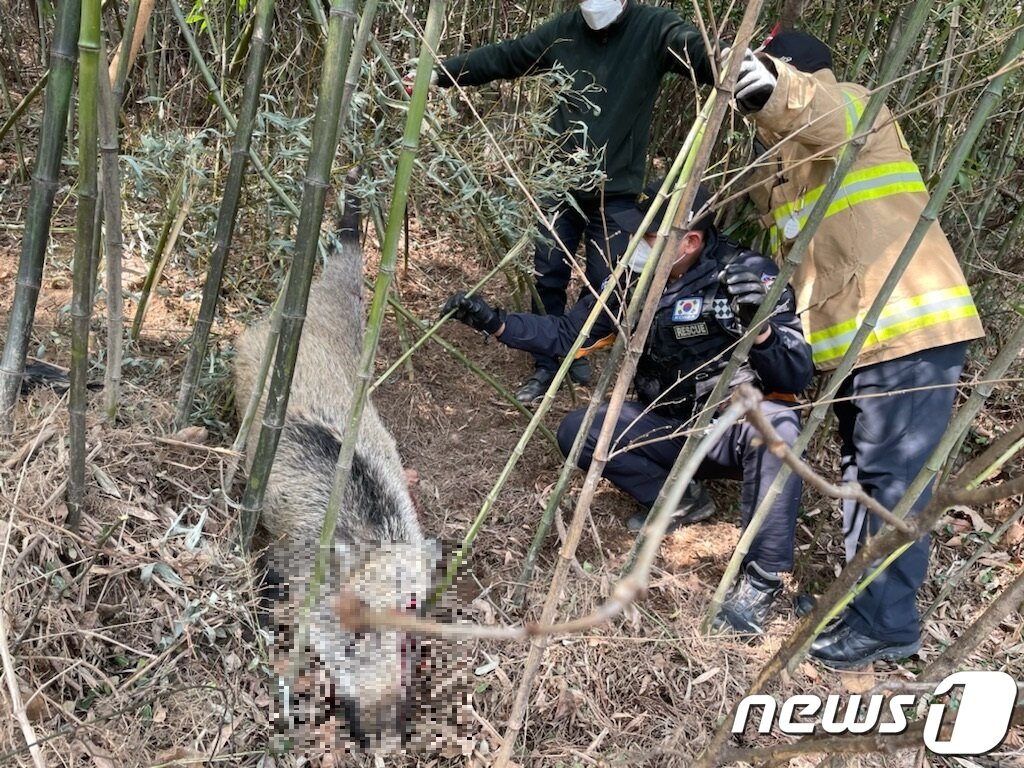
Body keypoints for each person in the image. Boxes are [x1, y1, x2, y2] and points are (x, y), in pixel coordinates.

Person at [442, 183, 814, 634]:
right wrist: (497, 322)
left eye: (648, 239)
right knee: (580, 429)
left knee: (778, 426)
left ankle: (763, 577)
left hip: (728, 433)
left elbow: (794, 375)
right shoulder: (633, 282)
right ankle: (679, 500)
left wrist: (761, 331)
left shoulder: (746, 272)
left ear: (689, 241)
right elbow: (568, 334)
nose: (635, 246)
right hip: (668, 427)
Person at [729, 31, 985, 666]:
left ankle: (890, 627)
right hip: (852, 344)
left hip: (906, 328)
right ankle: (865, 603)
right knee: (863, 479)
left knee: (892, 484)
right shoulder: (781, 165)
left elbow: (813, 107)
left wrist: (767, 81)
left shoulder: (855, 106)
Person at [418, 0, 715, 404]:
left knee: (605, 279)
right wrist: (439, 73)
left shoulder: (652, 27)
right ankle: (545, 361)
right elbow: (509, 56)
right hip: (559, 182)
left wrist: (727, 62)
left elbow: (691, 48)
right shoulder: (565, 29)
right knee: (549, 271)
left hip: (617, 190)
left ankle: (574, 346)